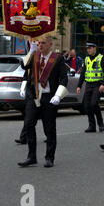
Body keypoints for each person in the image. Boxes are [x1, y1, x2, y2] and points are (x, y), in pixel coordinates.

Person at [18, 37, 68, 168]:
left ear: (50, 44)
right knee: (29, 124)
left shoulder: (58, 58)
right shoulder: (34, 56)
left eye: (43, 43)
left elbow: (63, 78)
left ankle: (49, 157)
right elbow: (24, 66)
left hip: (49, 97)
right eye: (38, 43)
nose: (40, 45)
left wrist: (58, 95)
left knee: (49, 128)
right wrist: (31, 51)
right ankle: (31, 156)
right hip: (33, 95)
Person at [77, 41, 104, 133]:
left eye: (90, 48)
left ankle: (100, 123)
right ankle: (92, 126)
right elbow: (83, 73)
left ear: (95, 48)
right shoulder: (86, 59)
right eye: (87, 48)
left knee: (93, 104)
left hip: (97, 85)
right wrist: (79, 85)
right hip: (88, 85)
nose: (88, 50)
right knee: (87, 106)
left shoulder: (101, 58)